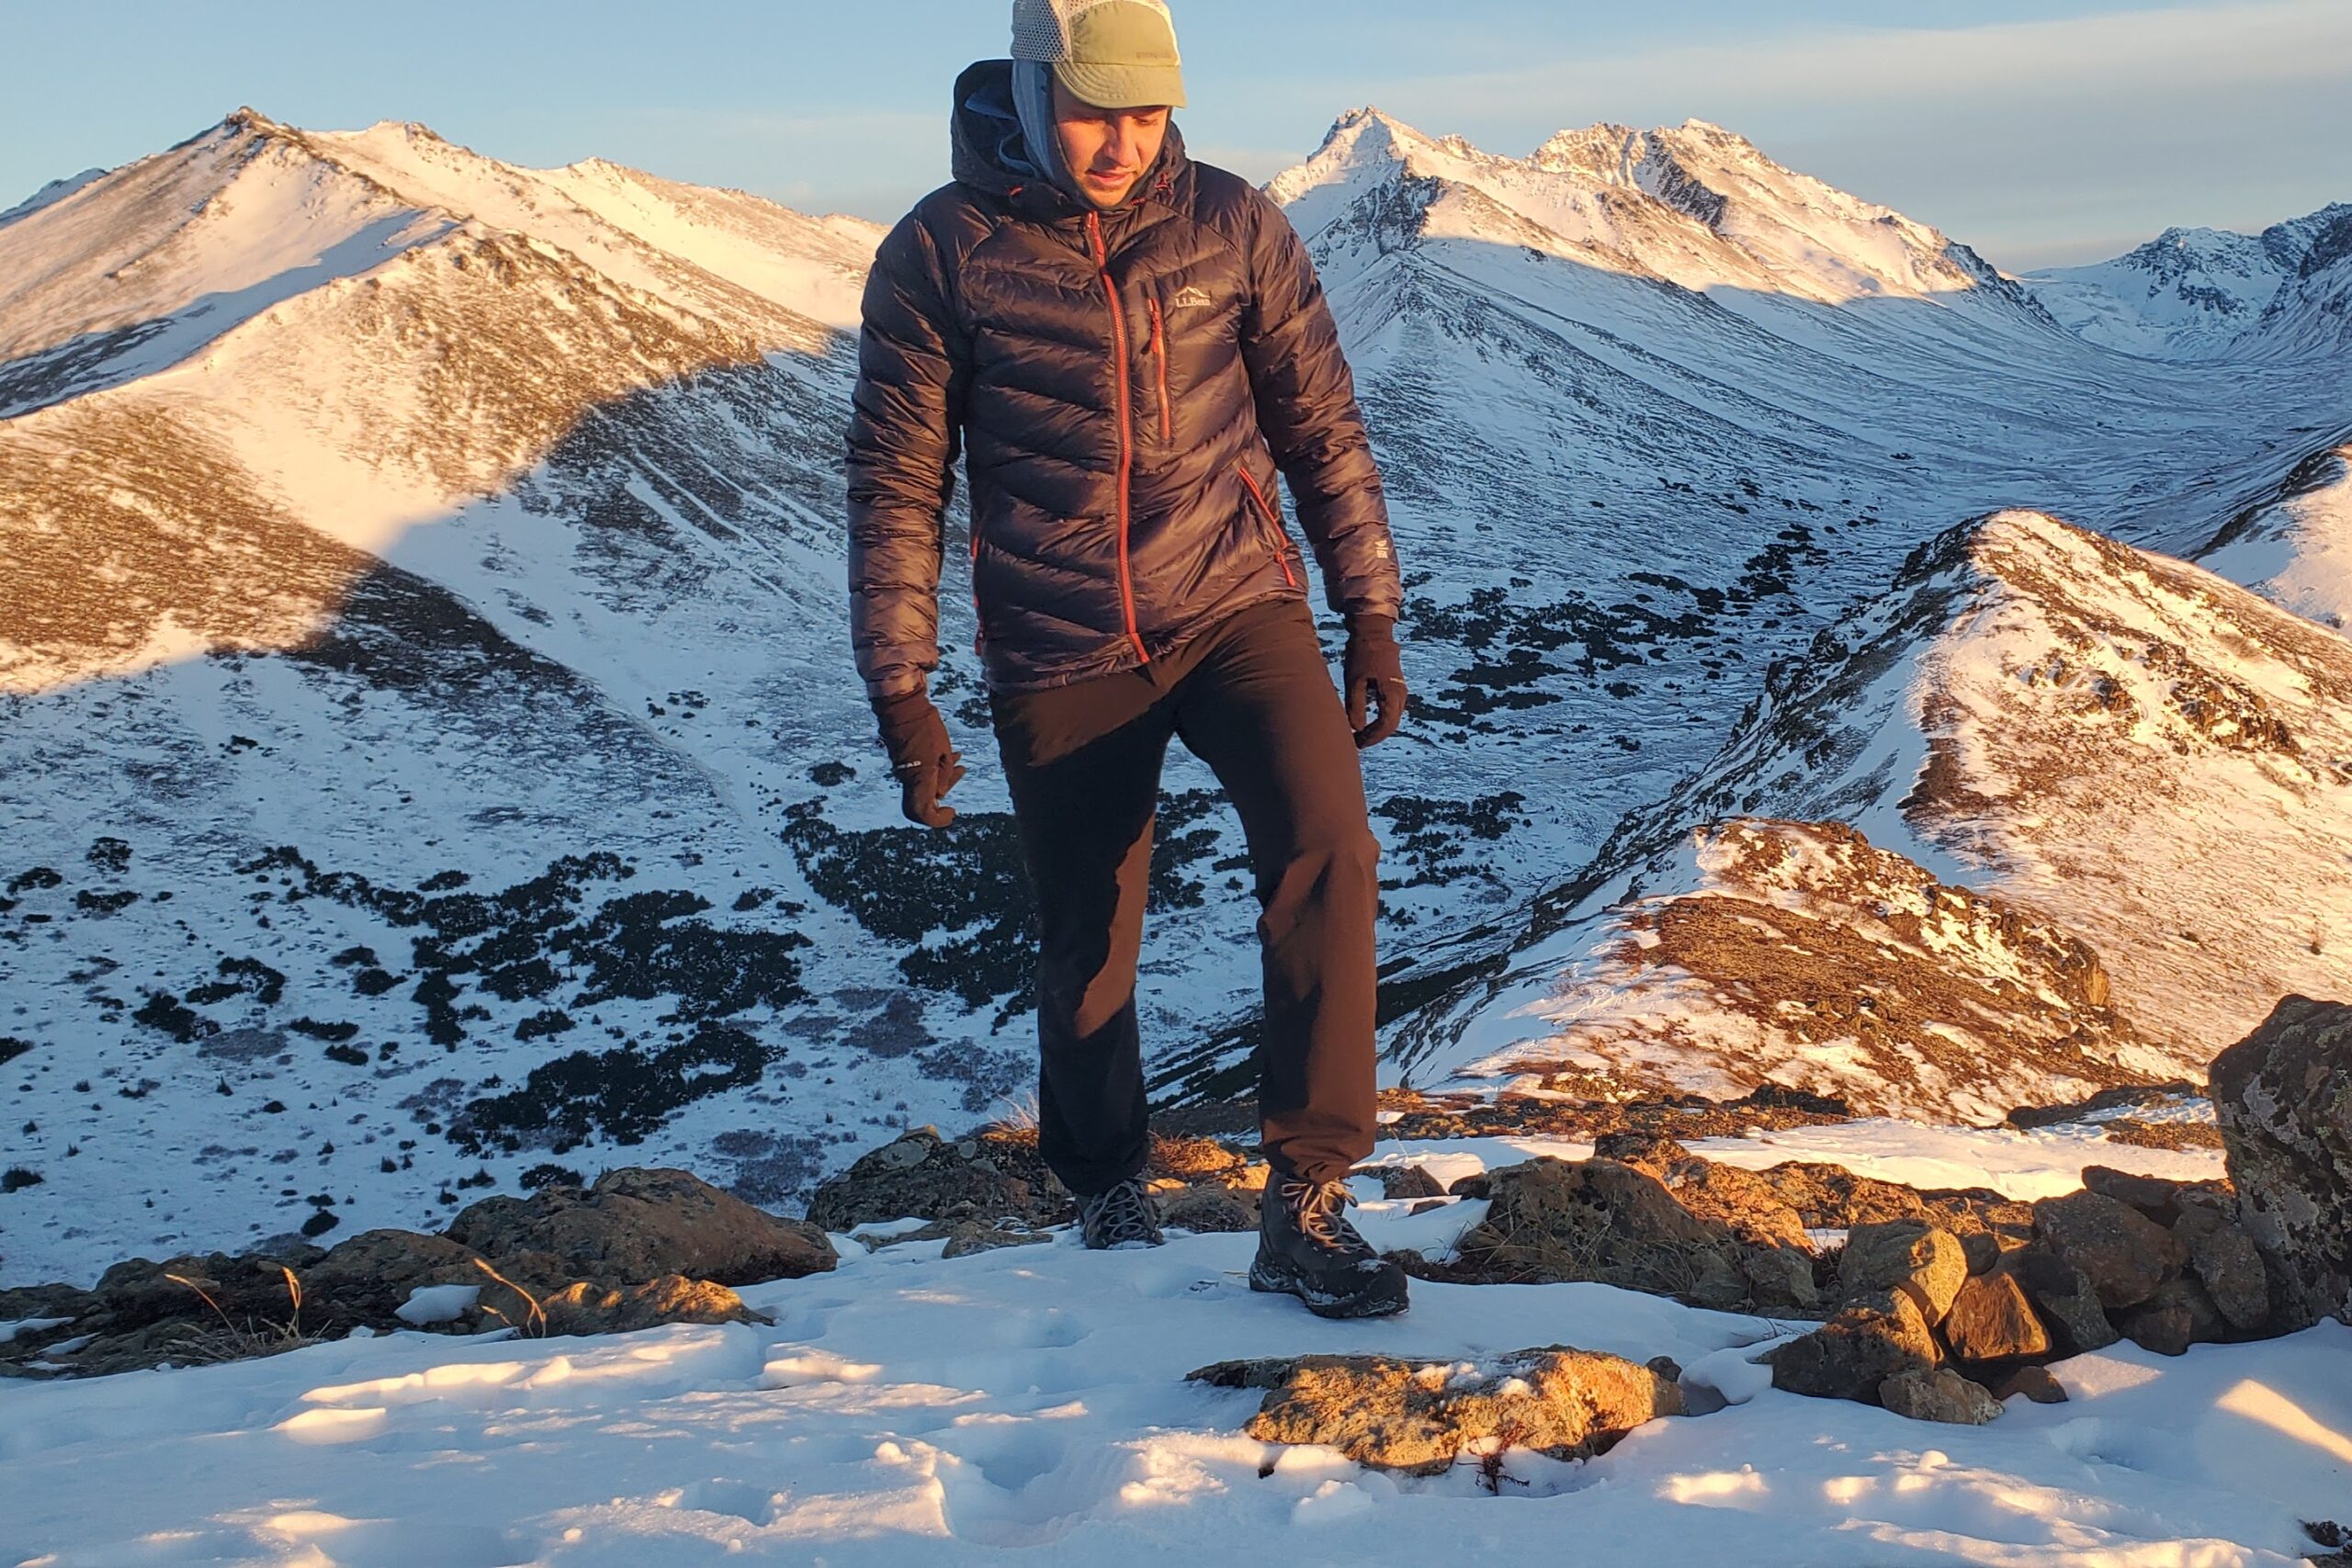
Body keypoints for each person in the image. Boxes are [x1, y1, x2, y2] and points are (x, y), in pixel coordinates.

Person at [845, 0, 1410, 1319]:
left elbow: (1321, 421)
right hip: (1059, 641)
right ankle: (1103, 1181)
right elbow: (898, 480)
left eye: (1147, 113)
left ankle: (1308, 1195)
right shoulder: (941, 250)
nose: (1122, 142)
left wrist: (1368, 608)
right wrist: (902, 684)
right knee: (1092, 928)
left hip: (1234, 602)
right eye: (1096, 111)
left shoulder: (1232, 223)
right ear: (1038, 93)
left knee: (1329, 847)